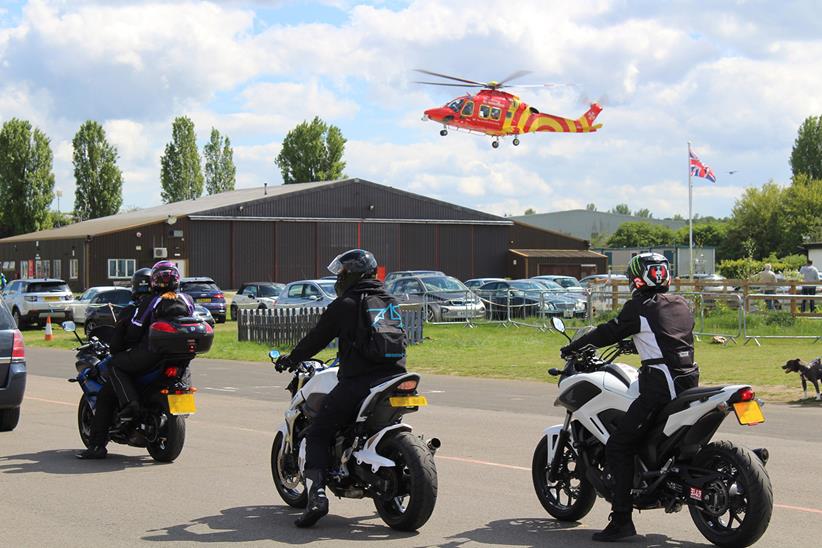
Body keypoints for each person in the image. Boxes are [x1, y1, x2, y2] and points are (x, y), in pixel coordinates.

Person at [560, 252, 699, 542]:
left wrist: (574, 346)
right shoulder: (682, 303)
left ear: (637, 277)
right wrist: (636, 344)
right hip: (688, 381)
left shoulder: (638, 307)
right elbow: (668, 337)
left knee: (619, 446)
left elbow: (606, 332)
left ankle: (621, 520)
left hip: (660, 386)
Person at [274, 249, 406, 528]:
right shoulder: (389, 300)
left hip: (359, 382)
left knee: (319, 431)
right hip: (395, 378)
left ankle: (317, 497)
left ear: (353, 275)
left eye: (343, 273)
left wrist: (291, 358)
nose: (339, 278)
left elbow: (316, 339)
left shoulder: (346, 304)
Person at [76, 267, 153, 459]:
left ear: (135, 287)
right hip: (160, 363)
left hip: (137, 360)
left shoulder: (132, 310)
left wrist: (116, 350)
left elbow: (117, 344)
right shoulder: (162, 307)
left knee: (105, 395)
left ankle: (96, 447)